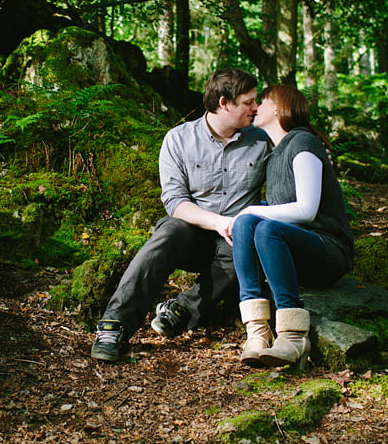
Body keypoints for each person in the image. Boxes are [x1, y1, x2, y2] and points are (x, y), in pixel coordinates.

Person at [90, 68, 272, 362]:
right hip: (193, 234)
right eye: (249, 102)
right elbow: (175, 201)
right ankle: (114, 325)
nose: (256, 108)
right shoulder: (178, 139)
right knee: (168, 232)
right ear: (224, 103)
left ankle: (181, 310)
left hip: (236, 240)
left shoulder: (262, 140)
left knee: (246, 244)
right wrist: (218, 222)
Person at [230, 84, 354, 368]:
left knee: (263, 225)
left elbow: (307, 210)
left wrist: (251, 210)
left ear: (276, 107)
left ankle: (293, 333)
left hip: (328, 250)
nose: (254, 106)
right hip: (295, 253)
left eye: (261, 100)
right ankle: (257, 331)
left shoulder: (303, 142)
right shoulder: (275, 154)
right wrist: (246, 216)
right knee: (246, 224)